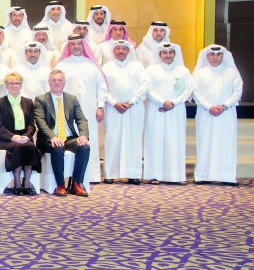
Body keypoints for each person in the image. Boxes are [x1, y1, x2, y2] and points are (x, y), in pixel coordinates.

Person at [55, 35, 107, 183]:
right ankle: (69, 177)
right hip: (65, 112)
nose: (76, 46)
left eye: (79, 44)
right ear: (69, 47)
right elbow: (53, 87)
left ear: (83, 46)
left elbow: (101, 88)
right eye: (73, 44)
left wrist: (100, 107)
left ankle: (91, 176)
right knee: (69, 140)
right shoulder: (62, 66)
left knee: (88, 141)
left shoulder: (92, 66)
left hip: (89, 110)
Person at [191, 45, 244, 186]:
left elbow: (238, 91)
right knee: (204, 142)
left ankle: (226, 176)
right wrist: (209, 107)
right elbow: (195, 92)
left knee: (226, 143)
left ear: (223, 56)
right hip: (205, 113)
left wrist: (224, 106)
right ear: (207, 56)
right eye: (212, 55)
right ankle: (202, 175)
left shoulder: (232, 73)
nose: (215, 57)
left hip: (226, 113)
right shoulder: (199, 73)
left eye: (218, 55)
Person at [33, 70, 91, 197]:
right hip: (49, 139)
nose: (57, 82)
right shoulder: (41, 99)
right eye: (54, 80)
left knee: (84, 146)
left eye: (60, 80)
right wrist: (53, 137)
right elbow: (40, 121)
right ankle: (60, 185)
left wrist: (83, 135)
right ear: (49, 82)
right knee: (58, 146)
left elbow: (81, 119)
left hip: (69, 137)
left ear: (64, 83)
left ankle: (76, 184)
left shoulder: (72, 99)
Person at [101, 40, 150, 184]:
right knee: (112, 139)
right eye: (118, 49)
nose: (121, 51)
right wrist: (114, 103)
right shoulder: (106, 68)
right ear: (113, 51)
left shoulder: (138, 67)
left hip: (134, 108)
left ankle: (133, 173)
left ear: (129, 51)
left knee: (132, 140)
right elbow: (102, 88)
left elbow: (144, 85)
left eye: (124, 49)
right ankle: (110, 174)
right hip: (113, 108)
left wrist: (131, 102)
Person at [143, 43, 192, 185]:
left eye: (171, 52)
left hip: (176, 110)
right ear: (159, 55)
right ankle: (154, 175)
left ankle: (176, 176)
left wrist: (174, 103)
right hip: (156, 109)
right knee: (155, 141)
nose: (168, 55)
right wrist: (162, 102)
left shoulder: (183, 71)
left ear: (175, 54)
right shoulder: (150, 70)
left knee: (175, 141)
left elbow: (188, 90)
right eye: (165, 52)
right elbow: (148, 89)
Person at [0, 73, 41, 195]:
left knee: (30, 146)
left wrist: (27, 136)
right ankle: (17, 184)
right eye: (11, 83)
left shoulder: (28, 102)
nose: (14, 86)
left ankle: (27, 183)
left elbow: (31, 124)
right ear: (6, 86)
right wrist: (14, 137)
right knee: (19, 147)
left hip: (24, 137)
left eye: (17, 83)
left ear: (21, 85)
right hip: (6, 139)